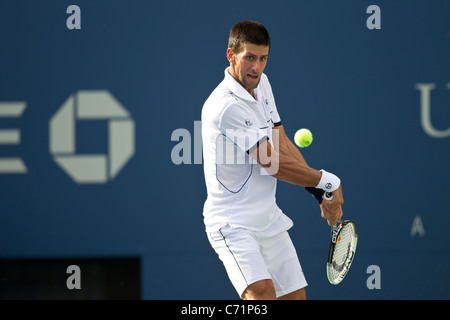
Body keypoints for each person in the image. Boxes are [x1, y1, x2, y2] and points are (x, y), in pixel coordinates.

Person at [201, 20, 344, 300]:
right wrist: (329, 181)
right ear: (231, 55)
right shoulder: (225, 106)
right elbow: (272, 163)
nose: (256, 67)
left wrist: (320, 193)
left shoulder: (262, 84)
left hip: (267, 218)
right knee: (262, 295)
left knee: (295, 298)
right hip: (232, 224)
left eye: (263, 58)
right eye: (249, 58)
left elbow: (281, 142)